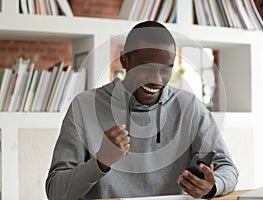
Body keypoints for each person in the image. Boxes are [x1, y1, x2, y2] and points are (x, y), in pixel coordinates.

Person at [46, 21, 238, 200]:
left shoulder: (190, 107)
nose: (156, 79)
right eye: (146, 68)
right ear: (124, 60)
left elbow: (227, 168)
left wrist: (212, 186)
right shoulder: (84, 106)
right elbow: (55, 191)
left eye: (166, 70)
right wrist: (100, 162)